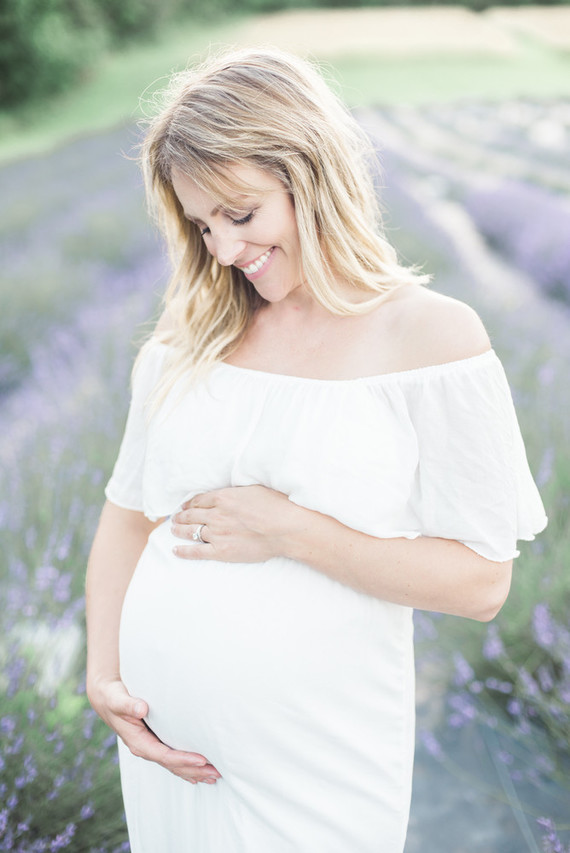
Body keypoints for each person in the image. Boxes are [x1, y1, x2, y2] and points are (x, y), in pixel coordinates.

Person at [86, 46, 547, 853]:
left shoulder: (431, 337)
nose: (224, 251)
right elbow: (127, 516)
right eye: (201, 225)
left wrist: (291, 530)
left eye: (242, 214)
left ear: (314, 175)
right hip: (168, 756)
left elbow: (481, 583)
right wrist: (103, 676)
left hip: (318, 756)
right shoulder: (184, 336)